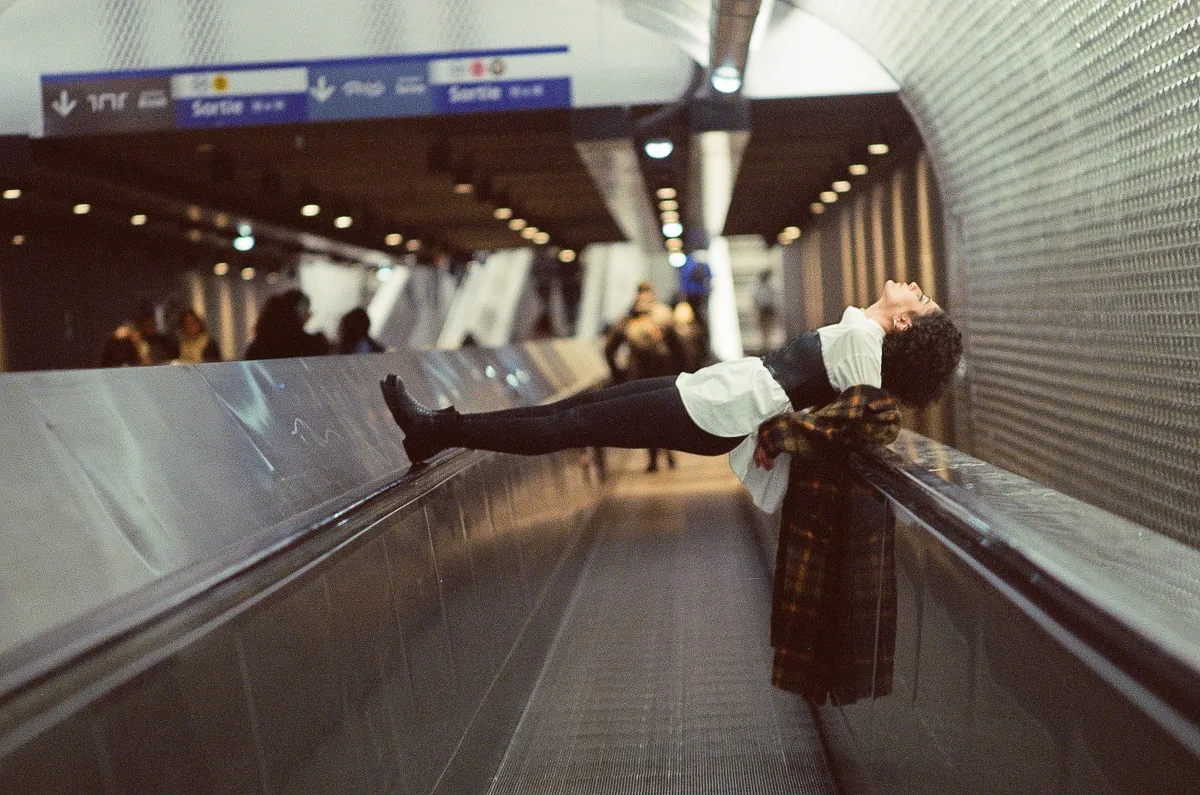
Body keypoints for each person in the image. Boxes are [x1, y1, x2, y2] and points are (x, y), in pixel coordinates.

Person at [380, 280, 962, 512]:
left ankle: (438, 430)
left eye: (921, 299)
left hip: (721, 410)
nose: (913, 286)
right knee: (571, 415)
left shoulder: (865, 338)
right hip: (715, 392)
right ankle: (435, 429)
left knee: (571, 426)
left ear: (905, 323)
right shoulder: (859, 326)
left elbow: (865, 415)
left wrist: (781, 433)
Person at [603, 282, 682, 472]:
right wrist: (682, 373)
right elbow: (678, 347)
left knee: (646, 417)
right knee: (665, 415)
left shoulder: (627, 318)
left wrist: (618, 374)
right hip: (663, 374)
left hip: (639, 376)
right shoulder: (663, 314)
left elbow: (609, 349)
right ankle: (669, 452)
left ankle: (653, 458)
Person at [245, 289, 330, 360]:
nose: (309, 314)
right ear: (296, 312)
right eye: (305, 310)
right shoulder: (312, 344)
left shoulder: (257, 348)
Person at [752, 270, 780, 351]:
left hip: (769, 310)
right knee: (763, 329)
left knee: (769, 328)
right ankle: (764, 346)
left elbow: (774, 300)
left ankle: (768, 345)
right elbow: (756, 299)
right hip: (762, 310)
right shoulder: (758, 287)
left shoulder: (771, 287)